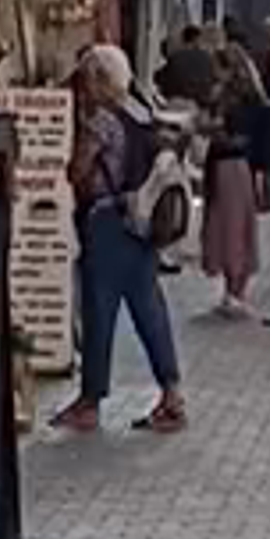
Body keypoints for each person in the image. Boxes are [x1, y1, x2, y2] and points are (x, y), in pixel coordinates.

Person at [54, 41, 187, 435]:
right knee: (149, 308)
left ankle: (90, 401)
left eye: (86, 79)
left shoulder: (103, 121)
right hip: (142, 222)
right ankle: (172, 393)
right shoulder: (141, 111)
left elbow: (78, 171)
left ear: (99, 79)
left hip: (107, 221)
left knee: (99, 310)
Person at [198, 25, 268, 315]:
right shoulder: (229, 95)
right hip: (227, 165)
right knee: (229, 225)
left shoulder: (240, 99)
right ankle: (232, 288)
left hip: (232, 165)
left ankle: (236, 288)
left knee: (232, 226)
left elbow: (236, 134)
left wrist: (208, 128)